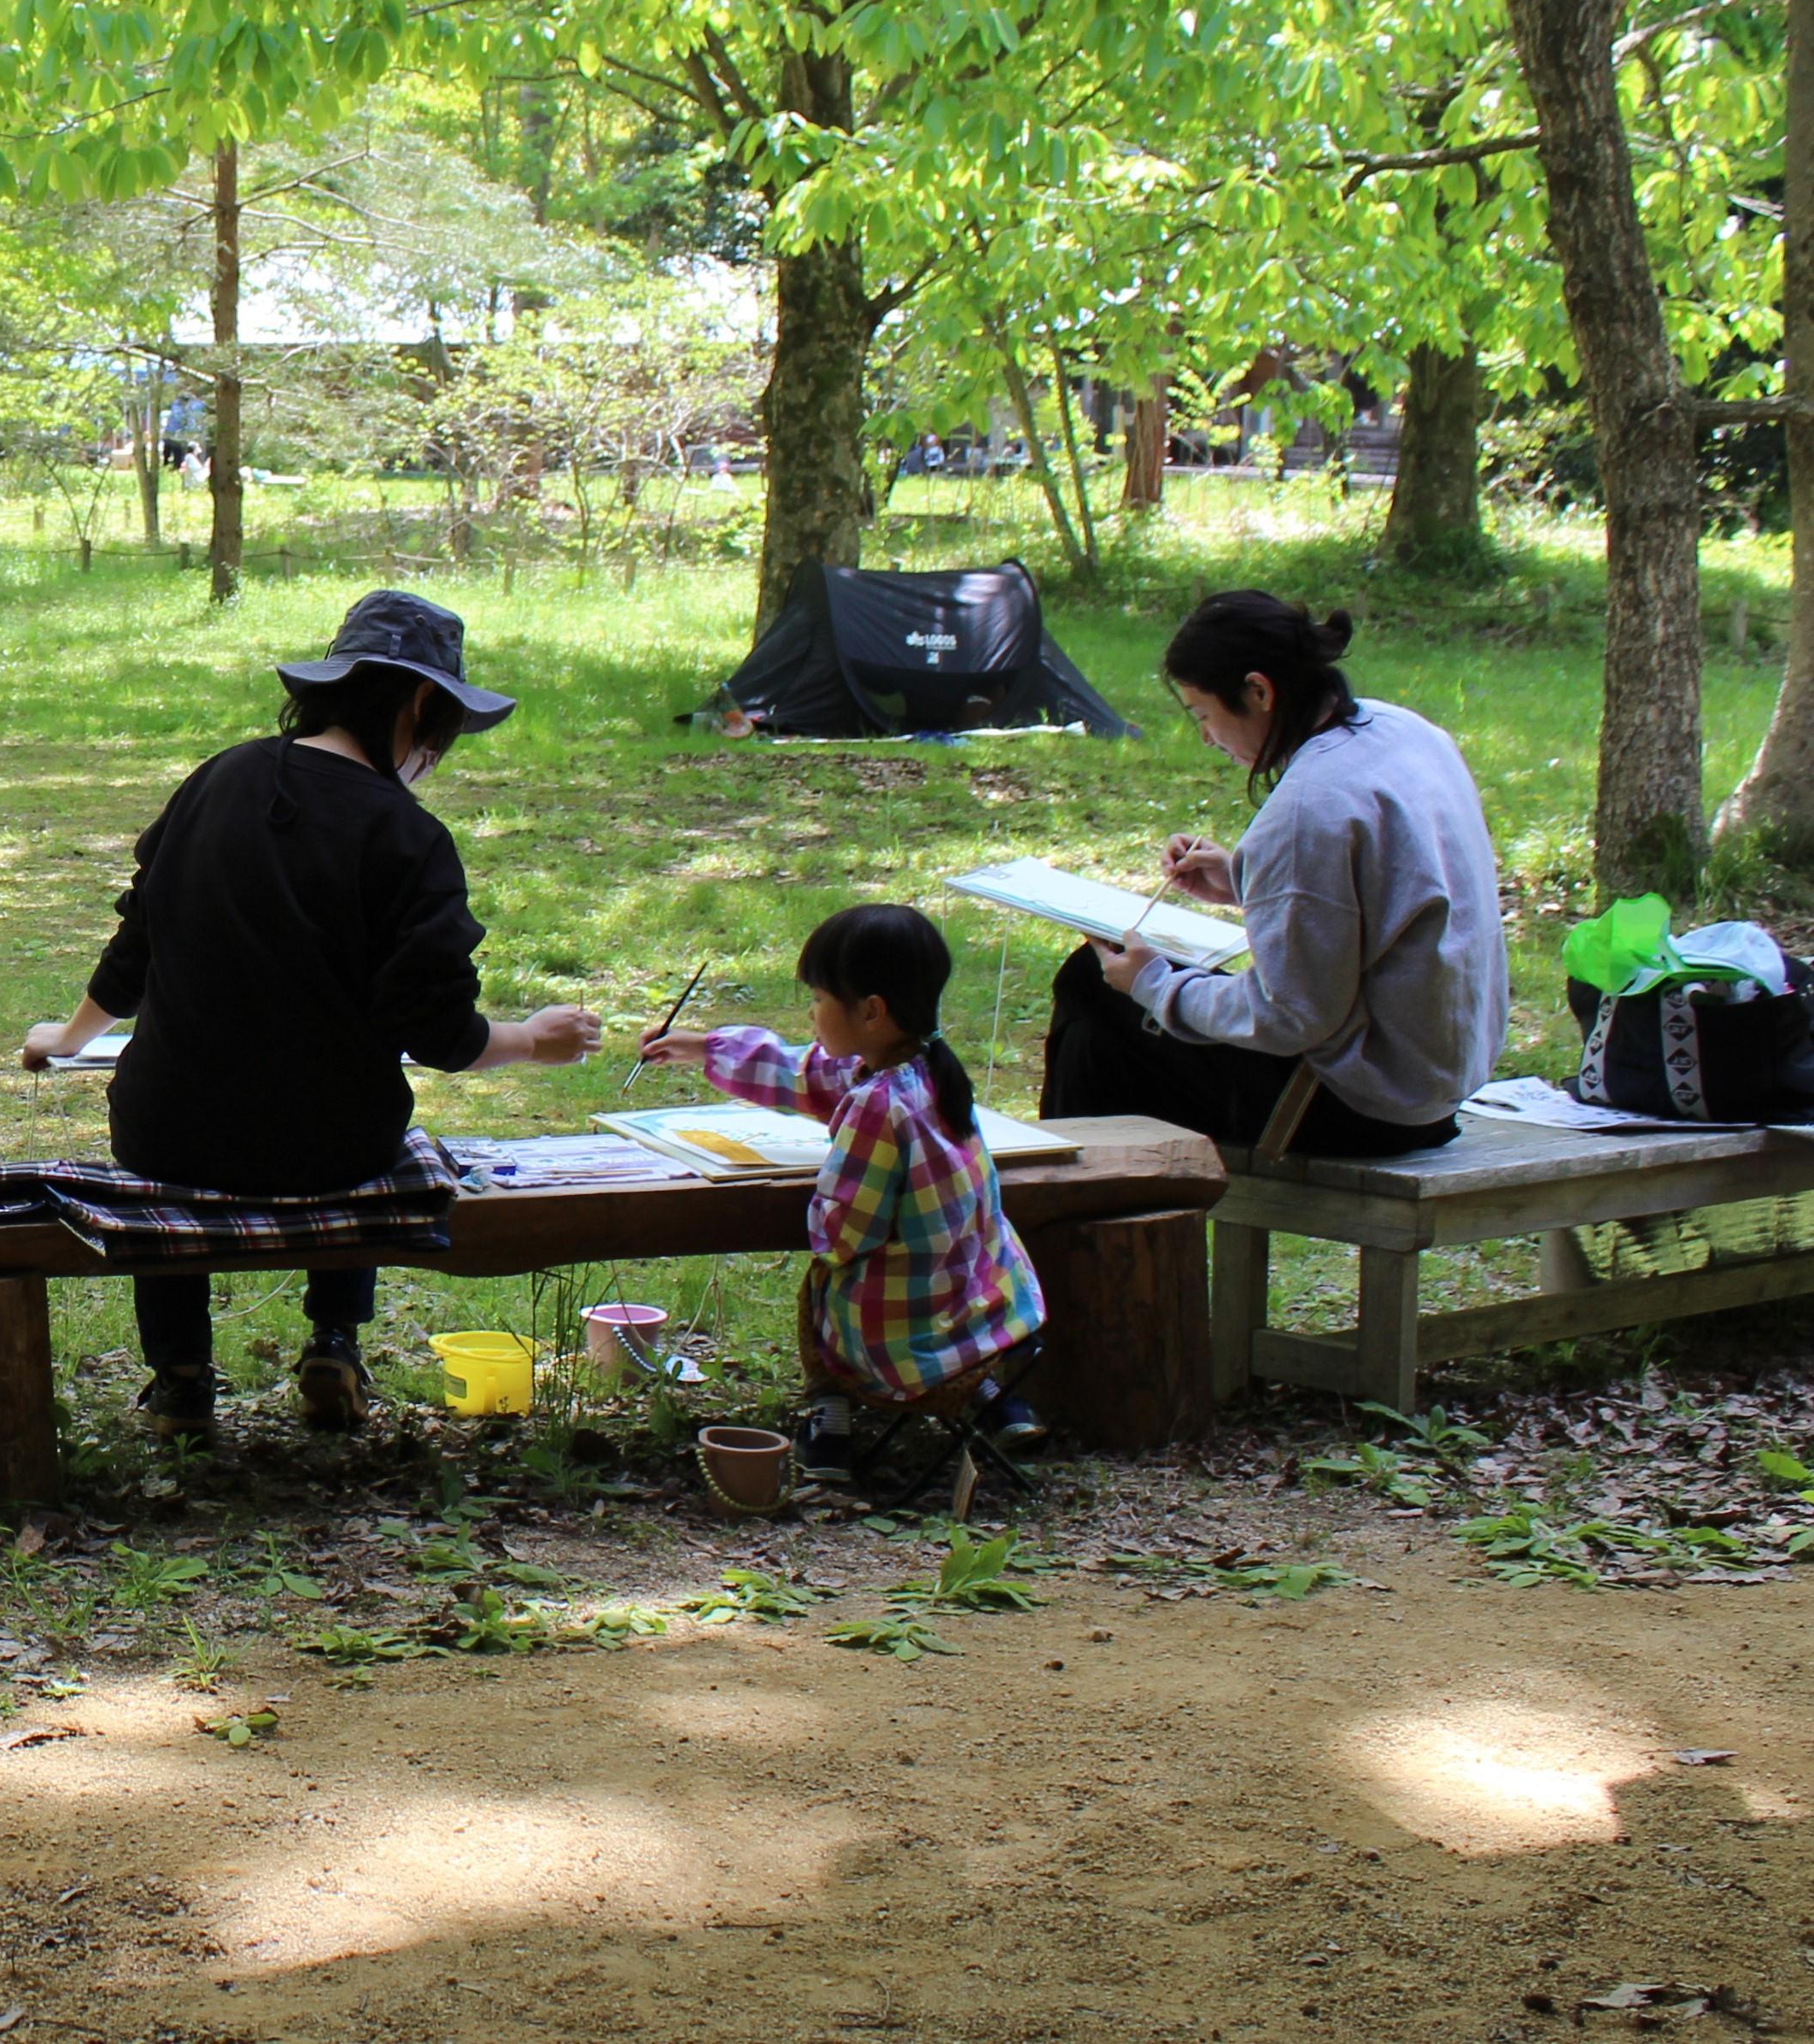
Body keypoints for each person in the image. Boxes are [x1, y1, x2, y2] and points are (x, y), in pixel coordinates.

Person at [18, 590, 603, 1437]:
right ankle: (334, 1341)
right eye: (441, 729)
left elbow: (140, 936)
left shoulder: (219, 778)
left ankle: (180, 1375)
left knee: (160, 1136)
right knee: (372, 1130)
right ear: (418, 703)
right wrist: (532, 1041)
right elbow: (437, 1030)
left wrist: (70, 1037)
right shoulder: (409, 838)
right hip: (331, 1155)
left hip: (170, 1137)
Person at [1041, 591, 1508, 1157]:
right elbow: (1387, 887)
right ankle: (1084, 1193)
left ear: (1258, 692)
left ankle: (1065, 1192)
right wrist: (1244, 878)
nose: (1207, 737)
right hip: (1439, 1081)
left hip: (1362, 1103)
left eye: (1203, 715)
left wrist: (1154, 984)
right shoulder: (1406, 732)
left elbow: (1289, 1017)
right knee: (1095, 1043)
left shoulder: (1310, 806)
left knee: (1091, 983)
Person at [643, 903, 1043, 1480]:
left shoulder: (877, 1106)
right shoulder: (929, 1068)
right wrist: (705, 1047)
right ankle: (991, 1398)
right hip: (989, 1310)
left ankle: (830, 1421)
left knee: (821, 1288)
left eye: (818, 999)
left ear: (872, 1012)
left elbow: (843, 1235)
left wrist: (812, 1209)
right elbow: (805, 1074)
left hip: (906, 1342)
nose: (810, 1014)